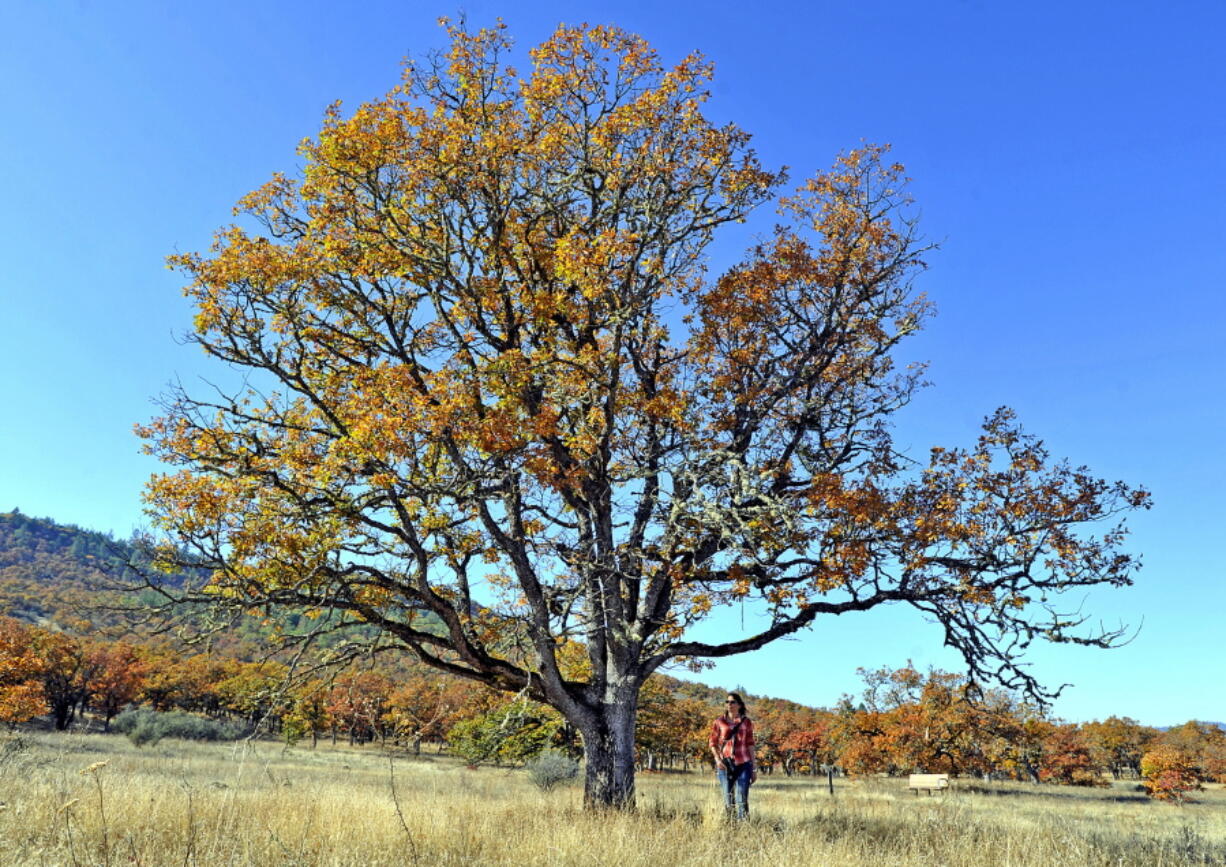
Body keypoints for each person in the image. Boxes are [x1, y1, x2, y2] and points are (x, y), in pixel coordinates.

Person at [709, 692, 757, 820]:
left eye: (732, 702)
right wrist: (718, 760)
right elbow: (712, 743)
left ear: (739, 705)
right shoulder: (719, 721)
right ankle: (730, 825)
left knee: (742, 797)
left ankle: (744, 826)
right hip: (725, 764)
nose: (729, 704)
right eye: (727, 702)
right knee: (728, 797)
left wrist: (754, 767)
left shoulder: (746, 722)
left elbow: (750, 744)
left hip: (744, 763)